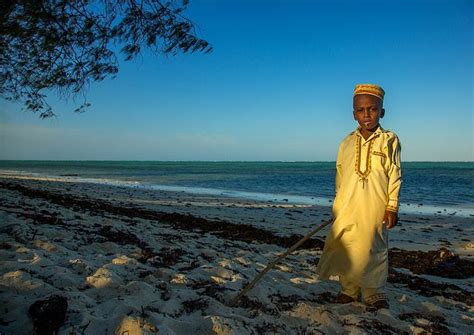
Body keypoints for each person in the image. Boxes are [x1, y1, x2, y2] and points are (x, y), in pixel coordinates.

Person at [316, 83, 402, 310]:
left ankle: (373, 291)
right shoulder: (346, 143)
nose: (366, 115)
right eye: (360, 110)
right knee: (349, 245)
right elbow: (340, 176)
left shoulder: (389, 140)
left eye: (372, 109)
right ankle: (349, 290)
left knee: (373, 246)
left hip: (375, 204)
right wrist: (339, 205)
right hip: (347, 204)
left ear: (381, 111)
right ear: (353, 113)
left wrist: (391, 206)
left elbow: (395, 174)